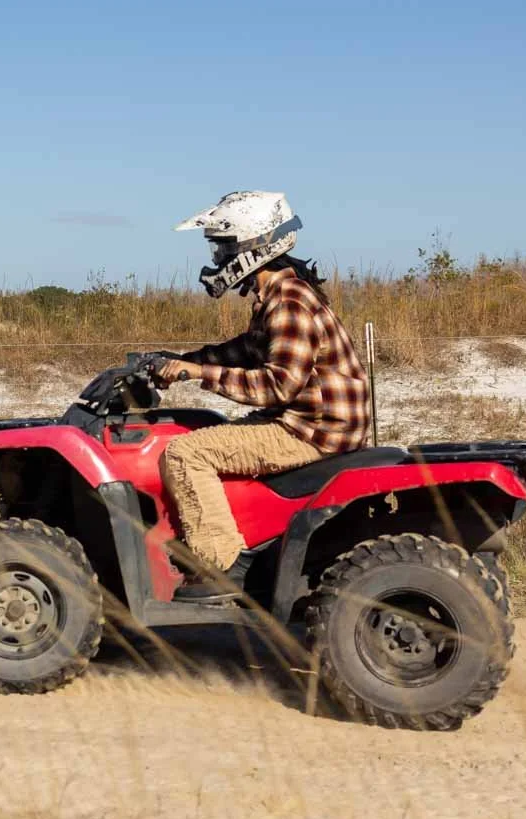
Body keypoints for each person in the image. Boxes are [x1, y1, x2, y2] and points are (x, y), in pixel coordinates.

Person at [155, 191, 370, 601]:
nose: (219, 258)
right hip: (311, 420)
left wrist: (200, 373)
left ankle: (220, 566)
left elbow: (278, 385)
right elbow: (247, 349)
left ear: (252, 246)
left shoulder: (288, 301)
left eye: (224, 247)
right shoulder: (280, 294)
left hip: (312, 429)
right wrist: (181, 362)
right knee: (211, 431)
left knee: (186, 453)